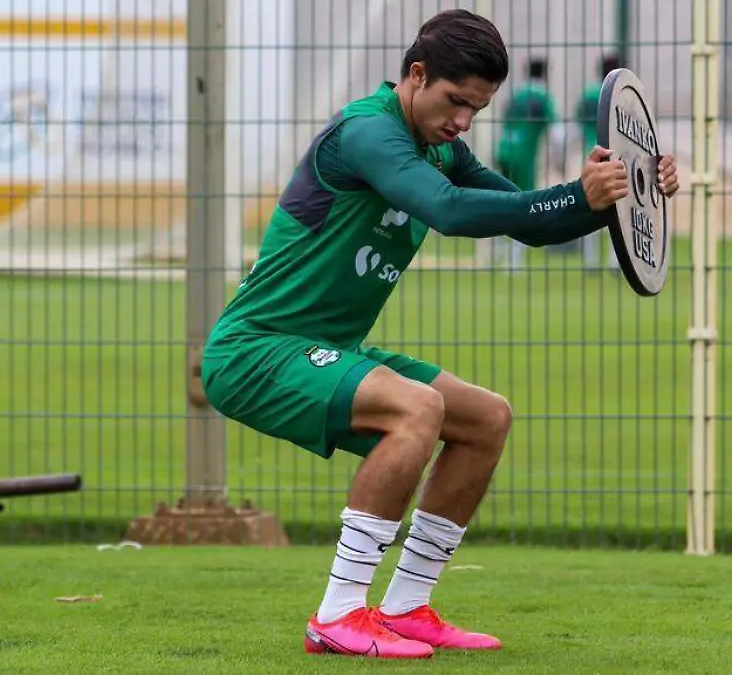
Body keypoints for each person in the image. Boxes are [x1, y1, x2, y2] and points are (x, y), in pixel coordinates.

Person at [202, 9, 679, 660]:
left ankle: (404, 608)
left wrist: (623, 192)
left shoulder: (441, 147)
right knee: (417, 408)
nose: (462, 122)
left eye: (476, 110)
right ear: (416, 75)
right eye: (455, 102)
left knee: (485, 418)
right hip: (256, 348)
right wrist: (580, 194)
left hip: (327, 347)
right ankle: (338, 614)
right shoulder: (368, 133)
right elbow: (451, 211)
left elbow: (529, 221)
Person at [493, 56, 572, 264]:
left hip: (503, 149)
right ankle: (514, 258)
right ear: (544, 75)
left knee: (500, 199)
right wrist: (560, 158)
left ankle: (496, 249)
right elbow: (557, 133)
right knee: (524, 203)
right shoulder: (543, 97)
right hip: (524, 155)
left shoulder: (515, 95)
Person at [575, 53, 626, 271]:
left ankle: (590, 261)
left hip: (591, 154)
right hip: (616, 156)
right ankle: (616, 262)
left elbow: (577, 123)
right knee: (619, 210)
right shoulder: (621, 94)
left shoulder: (588, 95)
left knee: (591, 205)